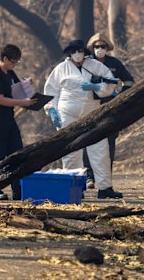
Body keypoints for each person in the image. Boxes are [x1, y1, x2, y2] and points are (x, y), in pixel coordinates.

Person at [43, 39, 123, 199]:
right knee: (71, 152)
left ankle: (105, 187)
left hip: (91, 112)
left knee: (100, 149)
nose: (78, 54)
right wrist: (51, 109)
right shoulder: (61, 69)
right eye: (74, 51)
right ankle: (74, 188)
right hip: (67, 114)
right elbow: (51, 91)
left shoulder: (95, 65)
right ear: (69, 53)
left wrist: (97, 87)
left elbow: (112, 84)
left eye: (80, 51)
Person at [0, 44, 37, 200]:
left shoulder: (10, 73)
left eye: (17, 62)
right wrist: (22, 103)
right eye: (13, 61)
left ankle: (18, 188)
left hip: (7, 117)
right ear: (4, 59)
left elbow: (17, 90)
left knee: (16, 150)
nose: (15, 65)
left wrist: (27, 86)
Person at [82, 33, 135, 188]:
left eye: (102, 46)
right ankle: (89, 176)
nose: (100, 49)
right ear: (92, 48)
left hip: (112, 107)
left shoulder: (114, 63)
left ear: (107, 48)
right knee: (88, 140)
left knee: (109, 142)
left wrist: (120, 95)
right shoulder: (87, 63)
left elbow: (129, 81)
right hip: (91, 106)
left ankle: (104, 177)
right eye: (96, 46)